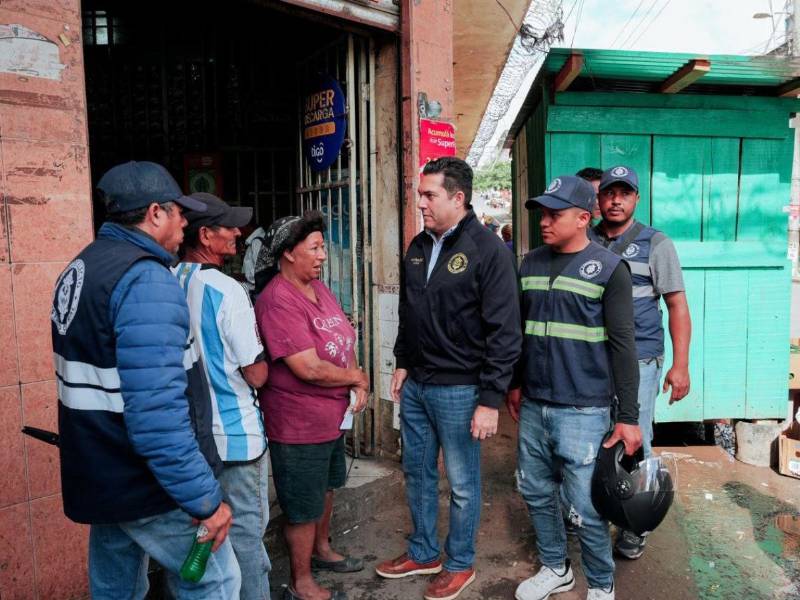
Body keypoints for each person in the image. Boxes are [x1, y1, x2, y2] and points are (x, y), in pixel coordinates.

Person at [51, 161, 240, 599]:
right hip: (147, 484)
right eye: (179, 212)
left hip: (102, 476)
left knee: (116, 589)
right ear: (155, 213)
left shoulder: (82, 268)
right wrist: (205, 501)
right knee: (215, 580)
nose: (185, 222)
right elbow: (157, 416)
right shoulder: (146, 282)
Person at [376, 157, 521, 600]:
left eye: (429, 195)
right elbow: (410, 312)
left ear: (458, 198)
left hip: (461, 390)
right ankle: (423, 551)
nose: (420, 203)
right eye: (420, 194)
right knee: (416, 473)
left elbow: (505, 333)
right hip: (417, 384)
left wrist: (489, 399)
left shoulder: (488, 251)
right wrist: (401, 361)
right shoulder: (418, 246)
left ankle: (459, 562)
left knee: (462, 483)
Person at [508, 175, 642, 600]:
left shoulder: (608, 269)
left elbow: (624, 347)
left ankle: (602, 584)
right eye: (542, 214)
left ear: (584, 218)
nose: (544, 222)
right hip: (534, 404)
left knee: (585, 506)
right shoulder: (528, 264)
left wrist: (628, 419)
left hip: (583, 410)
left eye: (555, 214)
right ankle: (555, 567)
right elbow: (518, 332)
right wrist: (514, 384)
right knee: (534, 489)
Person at [255, 211, 369, 600]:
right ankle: (301, 581)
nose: (322, 255)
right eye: (315, 248)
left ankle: (322, 551)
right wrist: (356, 379)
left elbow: (344, 336)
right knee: (302, 505)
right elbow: (307, 367)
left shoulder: (320, 289)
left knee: (326, 487)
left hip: (330, 417)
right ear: (288, 253)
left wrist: (356, 376)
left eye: (322, 247)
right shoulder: (277, 300)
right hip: (297, 423)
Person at [173, 192, 272, 600]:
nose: (237, 232)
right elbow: (256, 373)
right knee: (246, 537)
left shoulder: (168, 279)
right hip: (235, 437)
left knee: (201, 537)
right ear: (205, 236)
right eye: (228, 227)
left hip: (192, 439)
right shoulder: (227, 290)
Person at [589, 165, 691, 560]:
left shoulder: (656, 243)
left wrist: (679, 365)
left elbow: (677, 306)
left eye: (624, 193)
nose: (616, 200)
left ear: (636, 199)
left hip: (642, 357)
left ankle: (636, 524)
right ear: (598, 199)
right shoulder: (588, 239)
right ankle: (596, 510)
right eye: (609, 193)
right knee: (598, 436)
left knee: (636, 439)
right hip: (594, 356)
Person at [244, 224, 266, 298]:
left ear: (248, 226)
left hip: (257, 289)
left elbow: (259, 270)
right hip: (260, 288)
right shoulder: (261, 238)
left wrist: (245, 278)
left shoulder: (257, 242)